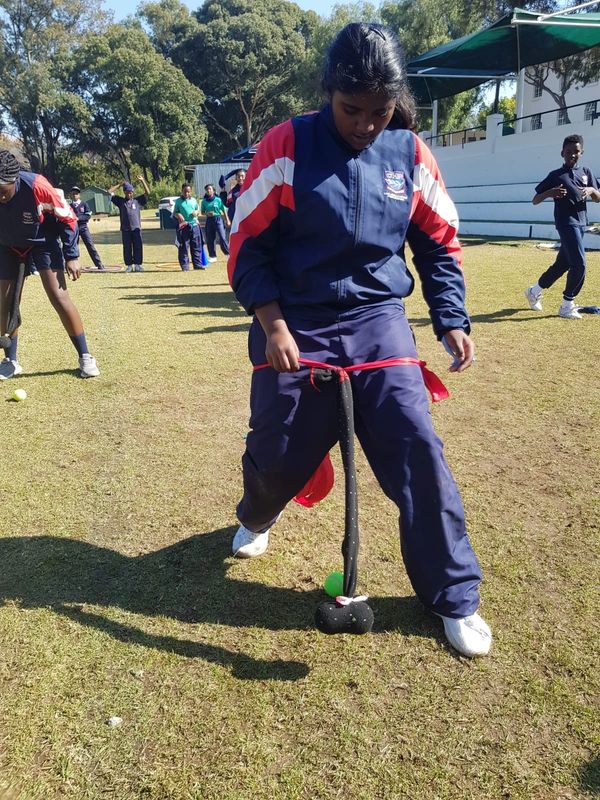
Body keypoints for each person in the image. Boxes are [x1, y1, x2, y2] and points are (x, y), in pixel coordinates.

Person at [227, 23, 492, 658]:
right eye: (352, 110)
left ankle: (453, 594)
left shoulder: (409, 152)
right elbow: (247, 244)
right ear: (328, 93)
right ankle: (258, 513)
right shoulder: (287, 144)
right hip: (296, 319)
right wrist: (273, 324)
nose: (366, 125)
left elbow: (438, 242)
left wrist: (451, 316)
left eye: (379, 111)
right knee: (279, 452)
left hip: (378, 319)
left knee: (416, 444)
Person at [0, 150, 100, 379]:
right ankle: (10, 361)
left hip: (42, 241)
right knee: (6, 302)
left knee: (58, 296)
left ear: (15, 180)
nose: (1, 198)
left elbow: (68, 218)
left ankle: (85, 357)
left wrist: (71, 255)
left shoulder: (37, 186)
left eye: (3, 192)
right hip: (8, 246)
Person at [525, 134, 600, 319]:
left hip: (581, 223)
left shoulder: (586, 172)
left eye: (576, 151)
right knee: (579, 264)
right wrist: (550, 192)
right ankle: (567, 304)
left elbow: (598, 197)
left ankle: (534, 291)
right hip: (566, 223)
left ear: (581, 152)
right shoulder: (555, 175)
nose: (572, 154)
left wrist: (591, 190)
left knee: (562, 265)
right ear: (562, 153)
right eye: (568, 151)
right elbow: (535, 199)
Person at [108, 176, 150, 272]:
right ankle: (129, 265)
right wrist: (119, 185)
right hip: (125, 229)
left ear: (133, 192)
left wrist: (143, 181)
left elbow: (147, 193)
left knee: (138, 247)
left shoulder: (137, 201)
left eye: (131, 192)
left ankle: (138, 265)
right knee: (127, 248)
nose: (129, 194)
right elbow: (109, 192)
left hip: (136, 228)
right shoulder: (120, 201)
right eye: (127, 192)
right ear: (124, 192)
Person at [69, 186, 105, 271]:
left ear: (79, 195)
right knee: (73, 247)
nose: (75, 195)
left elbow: (88, 215)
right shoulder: (69, 206)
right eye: (73, 194)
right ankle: (72, 266)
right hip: (73, 228)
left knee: (90, 245)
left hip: (83, 228)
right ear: (70, 195)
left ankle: (99, 264)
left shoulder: (84, 204)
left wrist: (78, 218)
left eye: (76, 193)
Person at [172, 183, 206, 271]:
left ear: (190, 191)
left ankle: (197, 265)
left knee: (196, 246)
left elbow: (197, 209)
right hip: (184, 227)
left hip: (194, 226)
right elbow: (175, 213)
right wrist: (178, 215)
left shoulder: (194, 200)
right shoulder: (178, 201)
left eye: (188, 191)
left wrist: (196, 212)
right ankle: (185, 266)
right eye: (185, 191)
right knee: (183, 247)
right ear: (182, 191)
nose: (186, 193)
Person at [201, 183, 230, 262]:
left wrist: (227, 219)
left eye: (210, 189)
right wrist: (207, 213)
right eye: (207, 189)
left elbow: (223, 210)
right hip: (209, 220)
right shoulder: (204, 201)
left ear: (213, 190)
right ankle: (213, 256)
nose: (208, 190)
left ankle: (228, 253)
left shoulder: (218, 199)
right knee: (210, 238)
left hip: (218, 219)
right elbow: (202, 212)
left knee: (222, 237)